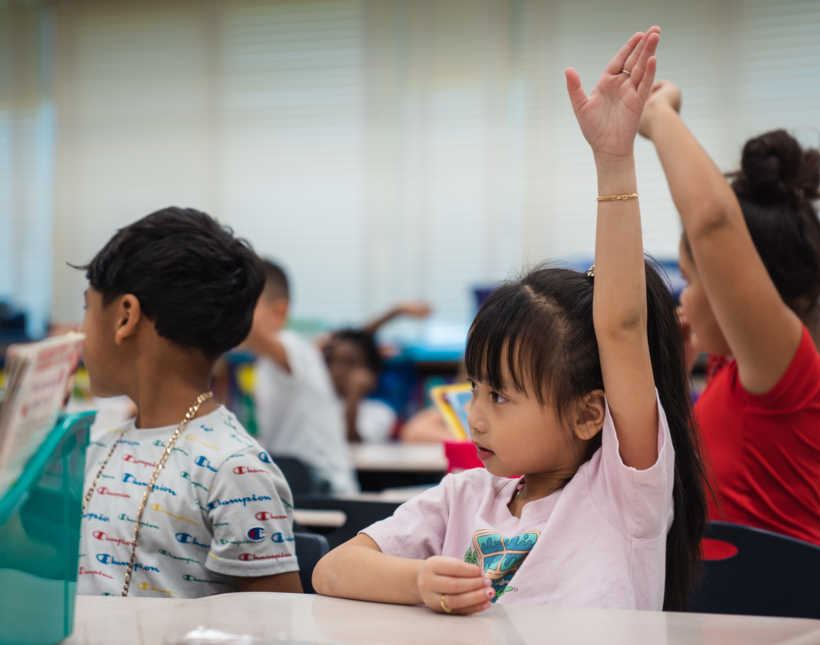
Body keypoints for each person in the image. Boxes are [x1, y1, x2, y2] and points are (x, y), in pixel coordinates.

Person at [313, 27, 708, 613]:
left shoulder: (623, 492)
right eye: (476, 388)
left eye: (500, 396)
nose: (473, 417)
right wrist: (418, 582)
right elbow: (331, 571)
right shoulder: (465, 495)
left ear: (587, 413)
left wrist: (614, 160)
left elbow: (621, 327)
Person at [639, 81, 820, 548]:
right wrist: (672, 375)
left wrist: (658, 114)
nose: (684, 299)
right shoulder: (728, 369)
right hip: (717, 608)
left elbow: (713, 220)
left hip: (775, 607)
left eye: (694, 281)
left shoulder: (787, 370)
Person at [77, 207, 302, 598]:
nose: (79, 330)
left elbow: (277, 625)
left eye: (86, 308)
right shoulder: (95, 447)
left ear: (125, 316)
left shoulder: (233, 469)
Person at [244, 260, 358, 494]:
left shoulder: (293, 346)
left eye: (244, 304)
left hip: (325, 488)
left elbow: (252, 333)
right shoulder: (264, 364)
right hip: (294, 481)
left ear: (279, 312)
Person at [324, 301, 432, 443]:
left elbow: (352, 444)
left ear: (372, 371)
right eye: (333, 361)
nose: (339, 370)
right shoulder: (321, 401)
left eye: (350, 363)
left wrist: (353, 396)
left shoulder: (380, 411)